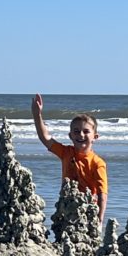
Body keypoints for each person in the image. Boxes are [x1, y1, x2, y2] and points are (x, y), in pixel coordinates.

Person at [31, 93, 107, 222]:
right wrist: (37, 115)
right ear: (70, 136)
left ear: (95, 137)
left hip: (87, 210)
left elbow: (102, 194)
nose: (81, 135)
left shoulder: (97, 163)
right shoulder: (66, 152)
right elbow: (45, 138)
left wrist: (99, 221)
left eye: (86, 131)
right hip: (67, 207)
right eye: (76, 131)